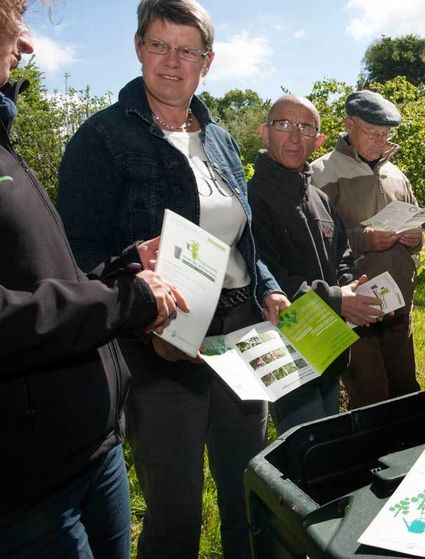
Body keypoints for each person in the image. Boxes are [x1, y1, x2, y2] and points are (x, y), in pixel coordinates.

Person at [55, 1, 288, 557]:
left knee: (248, 485)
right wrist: (138, 288)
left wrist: (268, 286)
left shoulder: (223, 140)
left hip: (239, 331)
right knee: (176, 507)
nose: (171, 62)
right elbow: (76, 255)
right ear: (138, 48)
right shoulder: (102, 138)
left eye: (187, 50)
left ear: (207, 62)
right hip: (158, 340)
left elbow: (239, 237)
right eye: (159, 45)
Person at [0, 3, 185, 558]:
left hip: (94, 448)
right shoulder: (100, 137)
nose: (26, 42)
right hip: (30, 480)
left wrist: (121, 268)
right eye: (11, 20)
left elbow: (46, 277)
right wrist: (124, 299)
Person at [248, 95, 383, 433]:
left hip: (329, 342)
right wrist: (337, 299)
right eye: (284, 125)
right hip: (286, 350)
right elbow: (265, 271)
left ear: (319, 140)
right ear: (264, 132)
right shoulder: (252, 198)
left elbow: (343, 255)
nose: (294, 137)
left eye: (306, 128)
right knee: (304, 448)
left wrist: (352, 288)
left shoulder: (319, 197)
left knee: (329, 438)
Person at [310, 90, 422, 408]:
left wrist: (416, 237)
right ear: (348, 124)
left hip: (400, 305)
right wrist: (364, 240)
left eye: (385, 134)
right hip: (357, 308)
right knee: (371, 397)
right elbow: (319, 242)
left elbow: (416, 227)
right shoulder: (321, 174)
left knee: (406, 391)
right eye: (372, 133)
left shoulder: (395, 174)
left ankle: (408, 454)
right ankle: (374, 458)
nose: (380, 141)